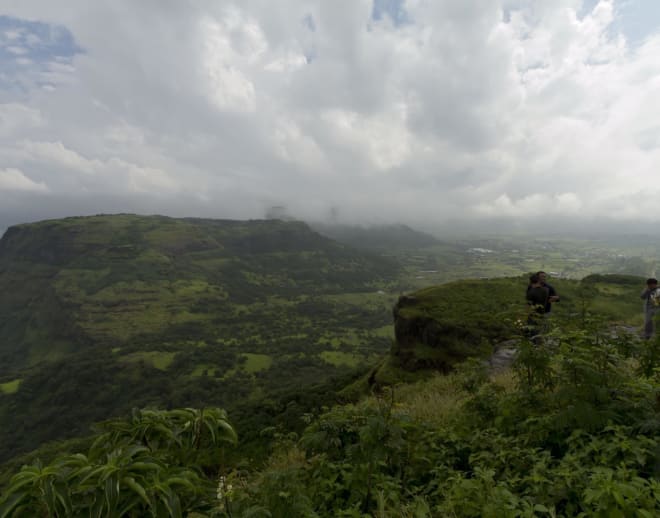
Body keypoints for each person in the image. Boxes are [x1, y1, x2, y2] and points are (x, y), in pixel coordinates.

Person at [526, 273, 549, 339]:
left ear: (530, 281)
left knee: (532, 334)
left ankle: (533, 346)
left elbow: (528, 306)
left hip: (533, 316)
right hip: (542, 314)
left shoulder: (530, 292)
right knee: (540, 333)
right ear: (538, 280)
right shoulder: (546, 290)